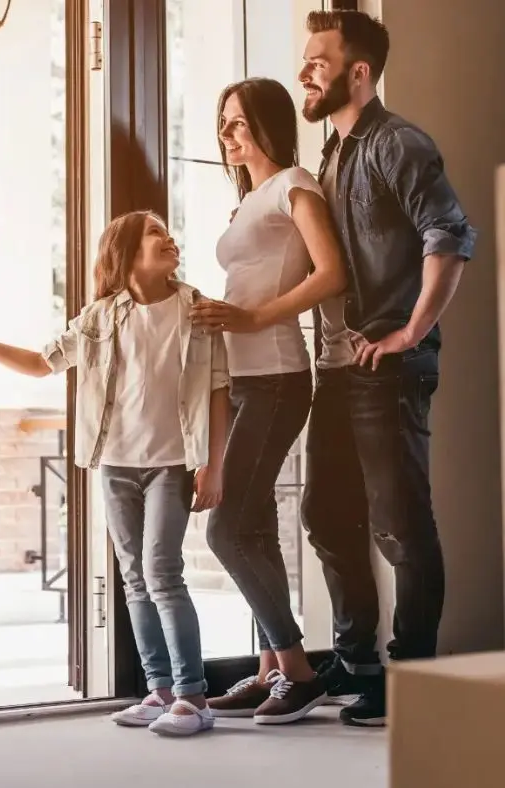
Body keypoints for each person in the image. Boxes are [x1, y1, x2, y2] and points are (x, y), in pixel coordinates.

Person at [0, 211, 232, 737]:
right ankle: (160, 690)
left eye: (168, 232)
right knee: (135, 578)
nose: (169, 238)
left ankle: (193, 697)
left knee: (162, 573)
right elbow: (40, 362)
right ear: (127, 252)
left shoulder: (196, 310)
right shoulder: (99, 317)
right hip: (114, 461)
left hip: (172, 462)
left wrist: (213, 466)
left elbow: (219, 390)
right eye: (155, 233)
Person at [295, 10, 477, 727]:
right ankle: (358, 664)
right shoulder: (330, 155)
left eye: (318, 62)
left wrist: (411, 331)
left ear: (359, 71)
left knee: (401, 527)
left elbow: (450, 234)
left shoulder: (397, 143)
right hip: (338, 368)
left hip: (389, 368)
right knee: (324, 514)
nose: (305, 72)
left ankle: (412, 677)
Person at [189, 77, 348, 724]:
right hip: (243, 377)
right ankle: (268, 673)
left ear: (268, 124)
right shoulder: (250, 200)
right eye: (222, 123)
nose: (227, 134)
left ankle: (299, 671)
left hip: (279, 375)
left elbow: (331, 272)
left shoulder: (294, 185)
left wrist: (253, 319)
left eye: (238, 122)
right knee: (252, 526)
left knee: (226, 527)